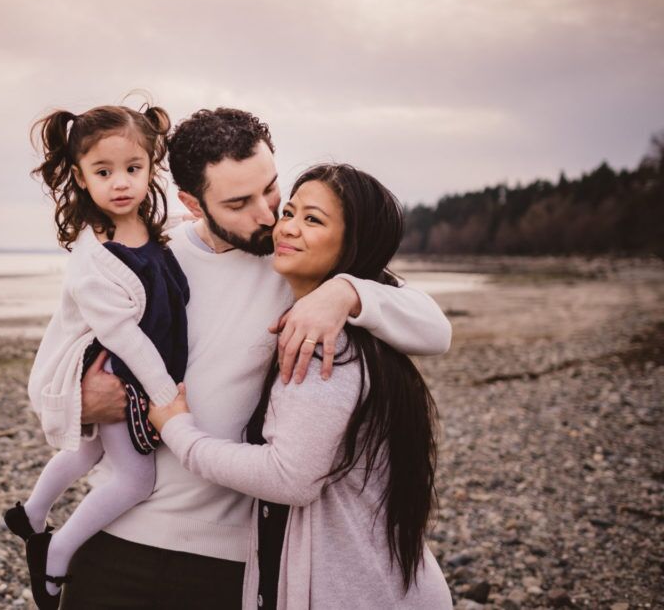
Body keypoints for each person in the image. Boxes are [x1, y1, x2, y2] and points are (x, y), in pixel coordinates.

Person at [45, 107, 452, 609]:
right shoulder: (142, 251)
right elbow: (48, 375)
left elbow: (435, 330)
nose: (267, 215)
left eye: (272, 190)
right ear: (193, 203)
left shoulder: (294, 263)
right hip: (117, 533)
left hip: (234, 559)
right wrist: (79, 398)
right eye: (239, 202)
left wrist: (346, 293)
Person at [149, 163, 453, 609]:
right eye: (289, 212)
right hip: (377, 581)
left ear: (354, 244)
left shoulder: (323, 345)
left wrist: (180, 432)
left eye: (313, 220)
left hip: (357, 592)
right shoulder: (362, 327)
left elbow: (288, 477)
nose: (286, 227)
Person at [4, 103, 189, 609]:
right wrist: (166, 394)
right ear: (82, 179)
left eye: (133, 169)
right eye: (103, 172)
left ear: (152, 168)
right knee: (136, 477)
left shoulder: (149, 223)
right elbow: (126, 338)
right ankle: (57, 555)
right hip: (118, 372)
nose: (121, 183)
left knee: (87, 452)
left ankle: (31, 512)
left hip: (129, 368)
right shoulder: (94, 260)